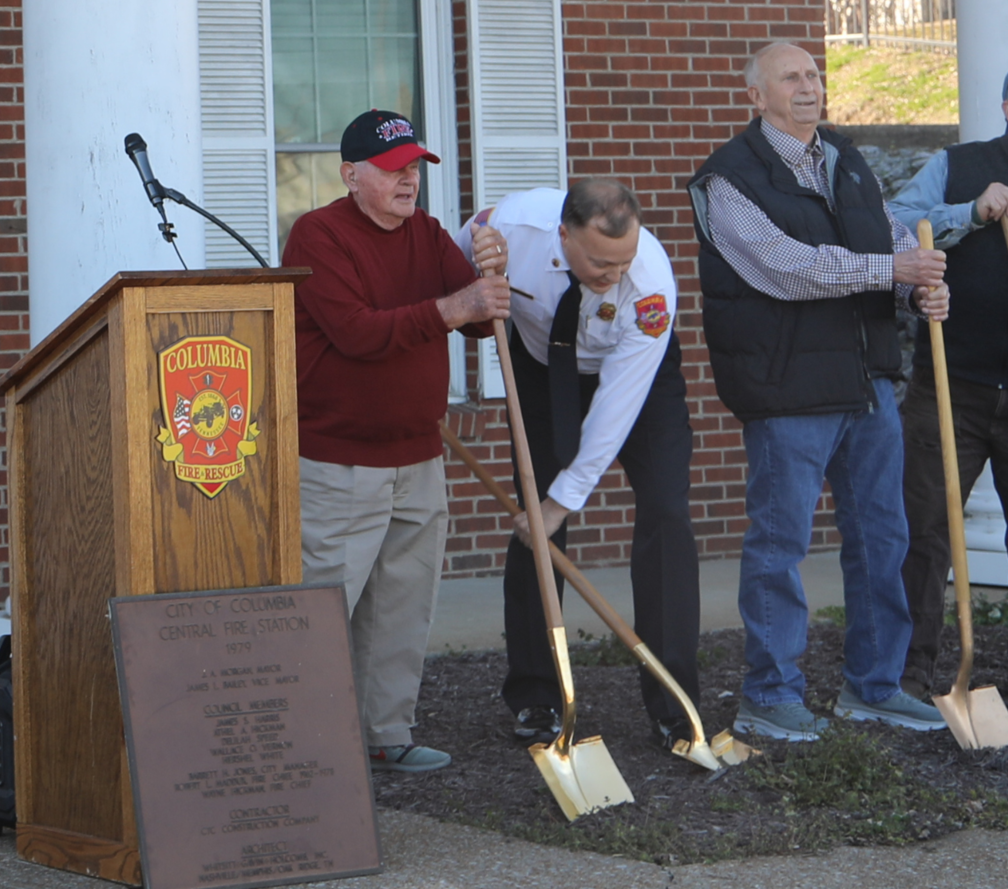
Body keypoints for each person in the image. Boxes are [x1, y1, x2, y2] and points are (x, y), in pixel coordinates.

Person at [687, 39, 947, 744]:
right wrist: (890, 268)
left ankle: (876, 686)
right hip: (787, 388)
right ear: (756, 96)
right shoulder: (727, 179)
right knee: (780, 543)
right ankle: (769, 694)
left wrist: (921, 280)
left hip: (867, 384)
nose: (808, 86)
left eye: (814, 74)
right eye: (790, 77)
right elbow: (786, 268)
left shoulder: (845, 159)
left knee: (883, 538)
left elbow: (891, 238)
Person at [286, 110, 511, 771]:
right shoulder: (317, 235)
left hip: (418, 452)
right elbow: (358, 333)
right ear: (351, 174)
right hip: (338, 458)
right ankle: (305, 745)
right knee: (324, 606)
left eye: (414, 167)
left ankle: (387, 733)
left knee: (402, 602)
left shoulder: (428, 233)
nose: (407, 180)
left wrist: (491, 277)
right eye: (392, 169)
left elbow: (473, 316)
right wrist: (457, 306)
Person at [461, 178, 700, 750]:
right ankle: (536, 697)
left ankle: (673, 702)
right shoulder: (514, 225)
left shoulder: (649, 286)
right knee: (533, 524)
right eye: (598, 261)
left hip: (634, 373)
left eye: (622, 262)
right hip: (544, 367)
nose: (612, 274)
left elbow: (614, 412)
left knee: (667, 510)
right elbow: (454, 252)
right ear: (564, 234)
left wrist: (562, 502)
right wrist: (471, 268)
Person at [884, 54, 1008, 711]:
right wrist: (969, 211)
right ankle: (909, 676)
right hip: (950, 386)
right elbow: (894, 228)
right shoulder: (958, 165)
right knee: (922, 532)